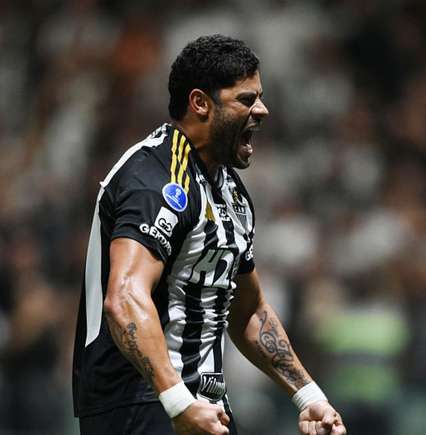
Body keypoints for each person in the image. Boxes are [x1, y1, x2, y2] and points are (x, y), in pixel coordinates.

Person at [72, 34, 347, 435]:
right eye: (246, 99)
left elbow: (249, 311)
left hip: (203, 405)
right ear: (200, 103)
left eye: (260, 97)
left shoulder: (231, 192)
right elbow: (125, 297)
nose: (262, 110)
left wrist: (309, 396)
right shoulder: (155, 179)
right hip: (141, 405)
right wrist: (177, 401)